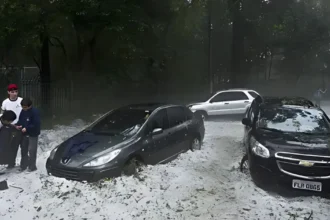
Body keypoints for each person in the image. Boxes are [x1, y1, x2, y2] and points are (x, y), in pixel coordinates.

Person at [17, 98, 41, 172]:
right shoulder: (23, 111)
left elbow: (36, 124)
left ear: (30, 106)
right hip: (24, 133)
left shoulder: (35, 112)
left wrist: (27, 128)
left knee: (32, 150)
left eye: (25, 107)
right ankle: (23, 165)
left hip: (33, 134)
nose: (23, 108)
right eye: (22, 107)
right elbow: (21, 120)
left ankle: (32, 166)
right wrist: (19, 125)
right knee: (23, 149)